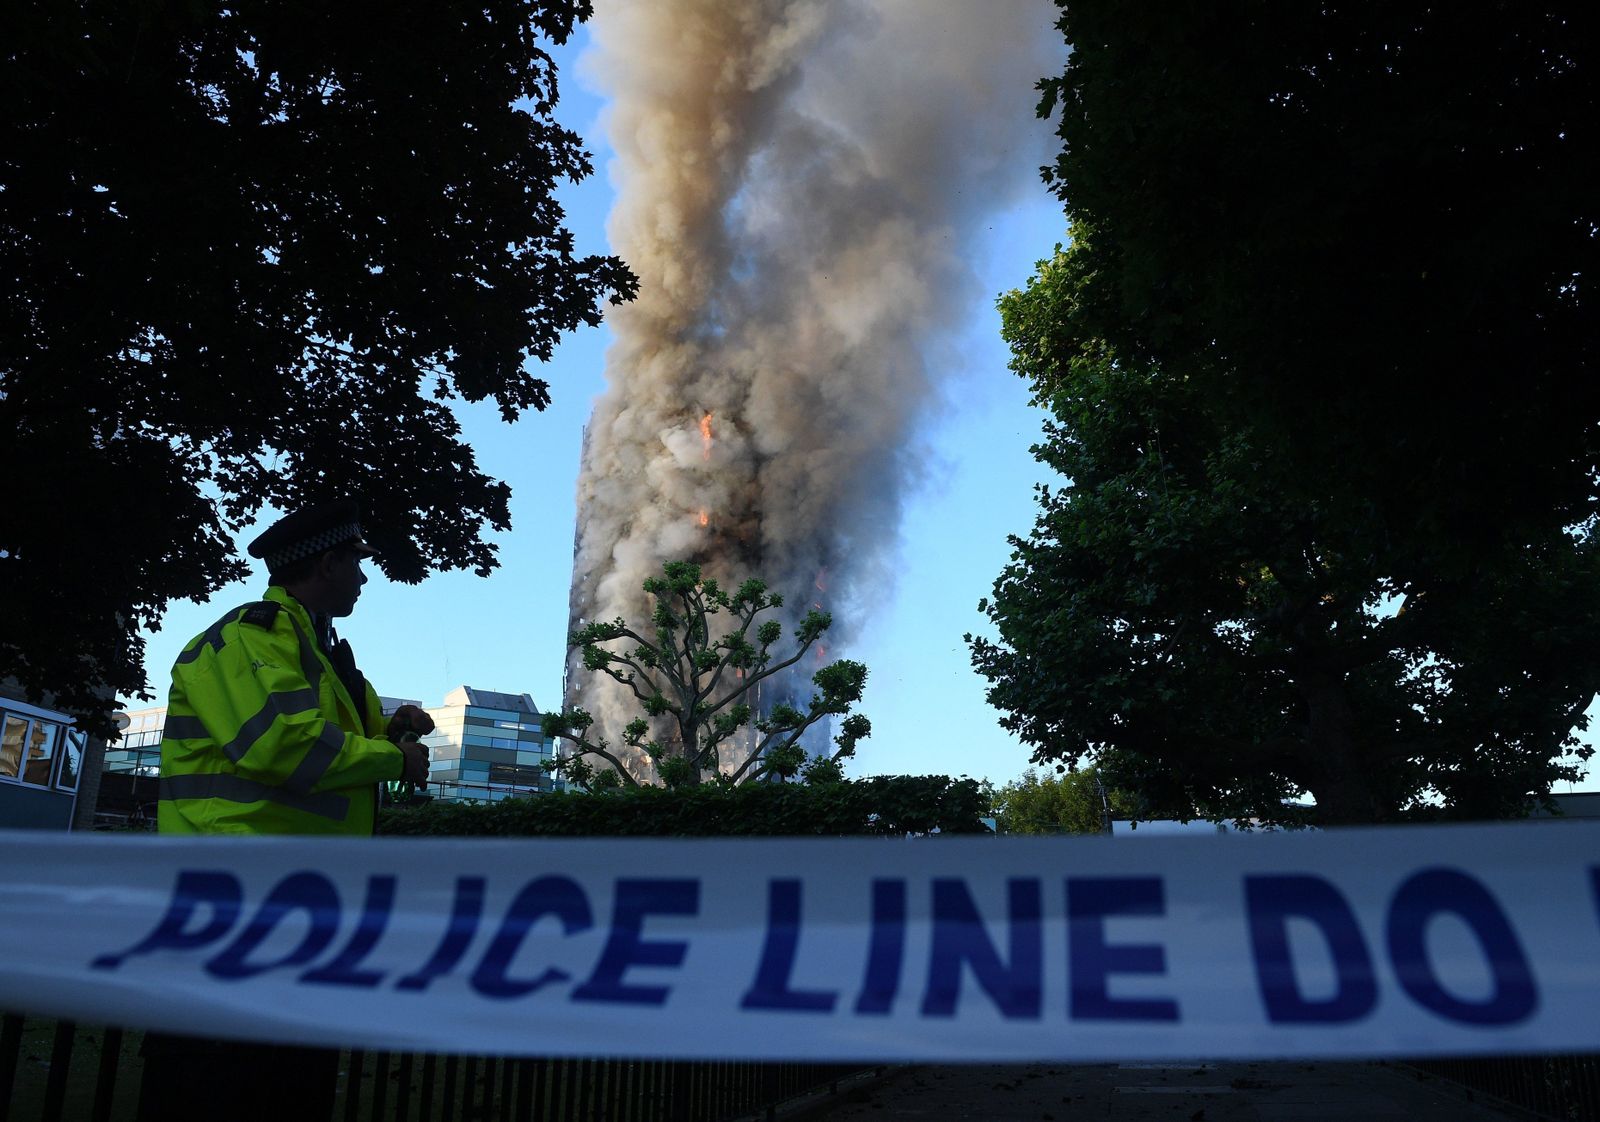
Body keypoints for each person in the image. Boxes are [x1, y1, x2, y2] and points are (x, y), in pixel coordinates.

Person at [139, 499, 432, 1121]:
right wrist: (393, 759)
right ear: (328, 563)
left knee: (283, 1086)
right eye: (357, 563)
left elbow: (326, 736)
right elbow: (283, 744)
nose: (364, 577)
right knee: (220, 1087)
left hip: (291, 918)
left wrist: (391, 727)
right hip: (230, 917)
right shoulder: (247, 637)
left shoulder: (312, 651)